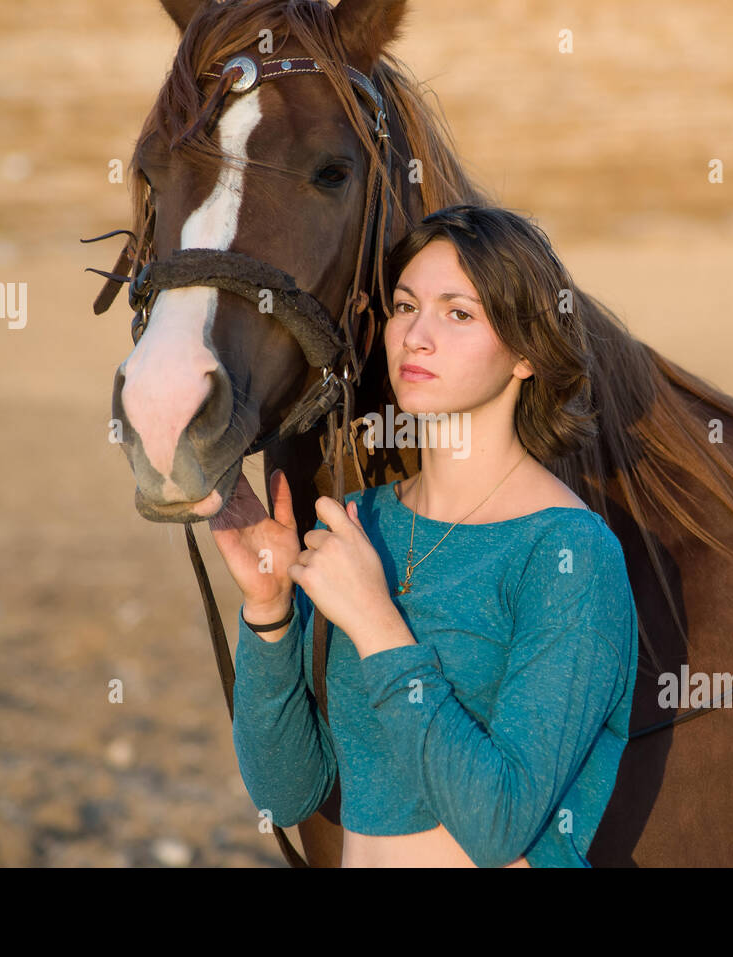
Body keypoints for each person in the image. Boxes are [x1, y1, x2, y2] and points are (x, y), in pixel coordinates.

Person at [209, 204, 637, 867]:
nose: (416, 336)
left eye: (457, 313)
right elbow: (289, 793)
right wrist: (268, 616)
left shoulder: (569, 554)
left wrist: (376, 621)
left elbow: (497, 824)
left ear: (526, 352)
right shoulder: (360, 523)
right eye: (405, 306)